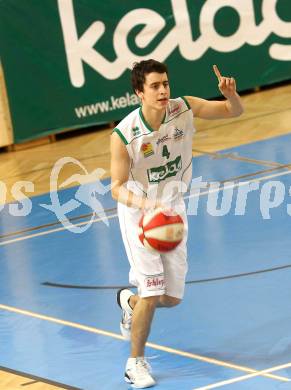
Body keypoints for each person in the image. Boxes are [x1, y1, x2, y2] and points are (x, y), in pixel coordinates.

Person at [110, 59, 243, 388]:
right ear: (139, 92)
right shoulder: (124, 133)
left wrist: (232, 95)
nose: (163, 90)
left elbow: (233, 112)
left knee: (171, 298)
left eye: (165, 84)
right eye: (155, 86)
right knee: (153, 291)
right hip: (139, 212)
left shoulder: (184, 109)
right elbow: (116, 187)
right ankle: (135, 363)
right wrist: (146, 205)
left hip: (171, 208)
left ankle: (130, 302)